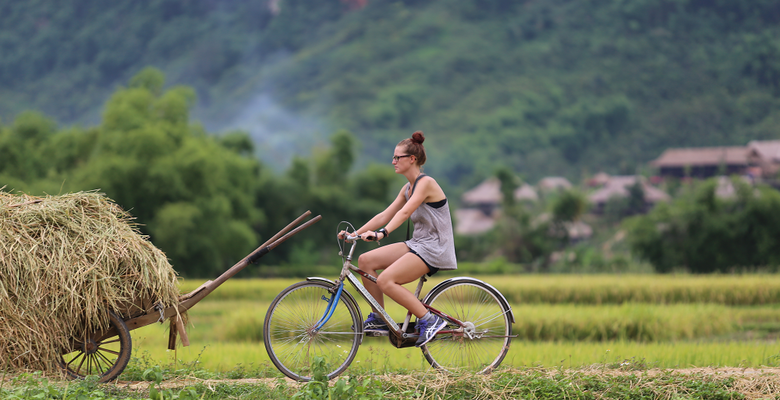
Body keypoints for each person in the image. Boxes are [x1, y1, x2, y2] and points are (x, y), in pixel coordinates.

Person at [338, 131, 457, 347]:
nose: (393, 161)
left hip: (434, 248)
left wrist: (382, 233)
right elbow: (384, 215)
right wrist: (354, 234)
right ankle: (379, 319)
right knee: (365, 261)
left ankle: (429, 320)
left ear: (412, 159)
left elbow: (403, 214)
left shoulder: (426, 183)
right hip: (417, 244)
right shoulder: (407, 188)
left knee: (385, 280)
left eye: (397, 157)